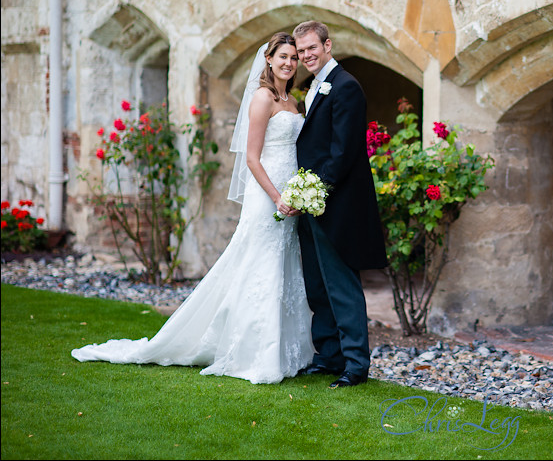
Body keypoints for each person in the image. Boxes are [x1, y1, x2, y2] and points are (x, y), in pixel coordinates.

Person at [72, 32, 315, 384]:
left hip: (290, 195)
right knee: (259, 267)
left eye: (293, 57)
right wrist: (277, 196)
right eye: (283, 56)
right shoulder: (263, 98)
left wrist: (296, 192)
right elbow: (251, 157)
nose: (289, 62)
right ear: (269, 59)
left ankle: (288, 351)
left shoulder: (292, 100)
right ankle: (255, 352)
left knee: (283, 267)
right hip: (268, 197)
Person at [293, 20, 388, 388]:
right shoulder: (312, 87)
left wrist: (315, 191)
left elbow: (344, 151)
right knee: (318, 285)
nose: (305, 56)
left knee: (342, 286)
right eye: (301, 52)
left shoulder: (347, 87)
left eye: (311, 48)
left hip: (336, 203)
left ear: (328, 45)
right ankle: (329, 356)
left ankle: (355, 365)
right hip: (310, 203)